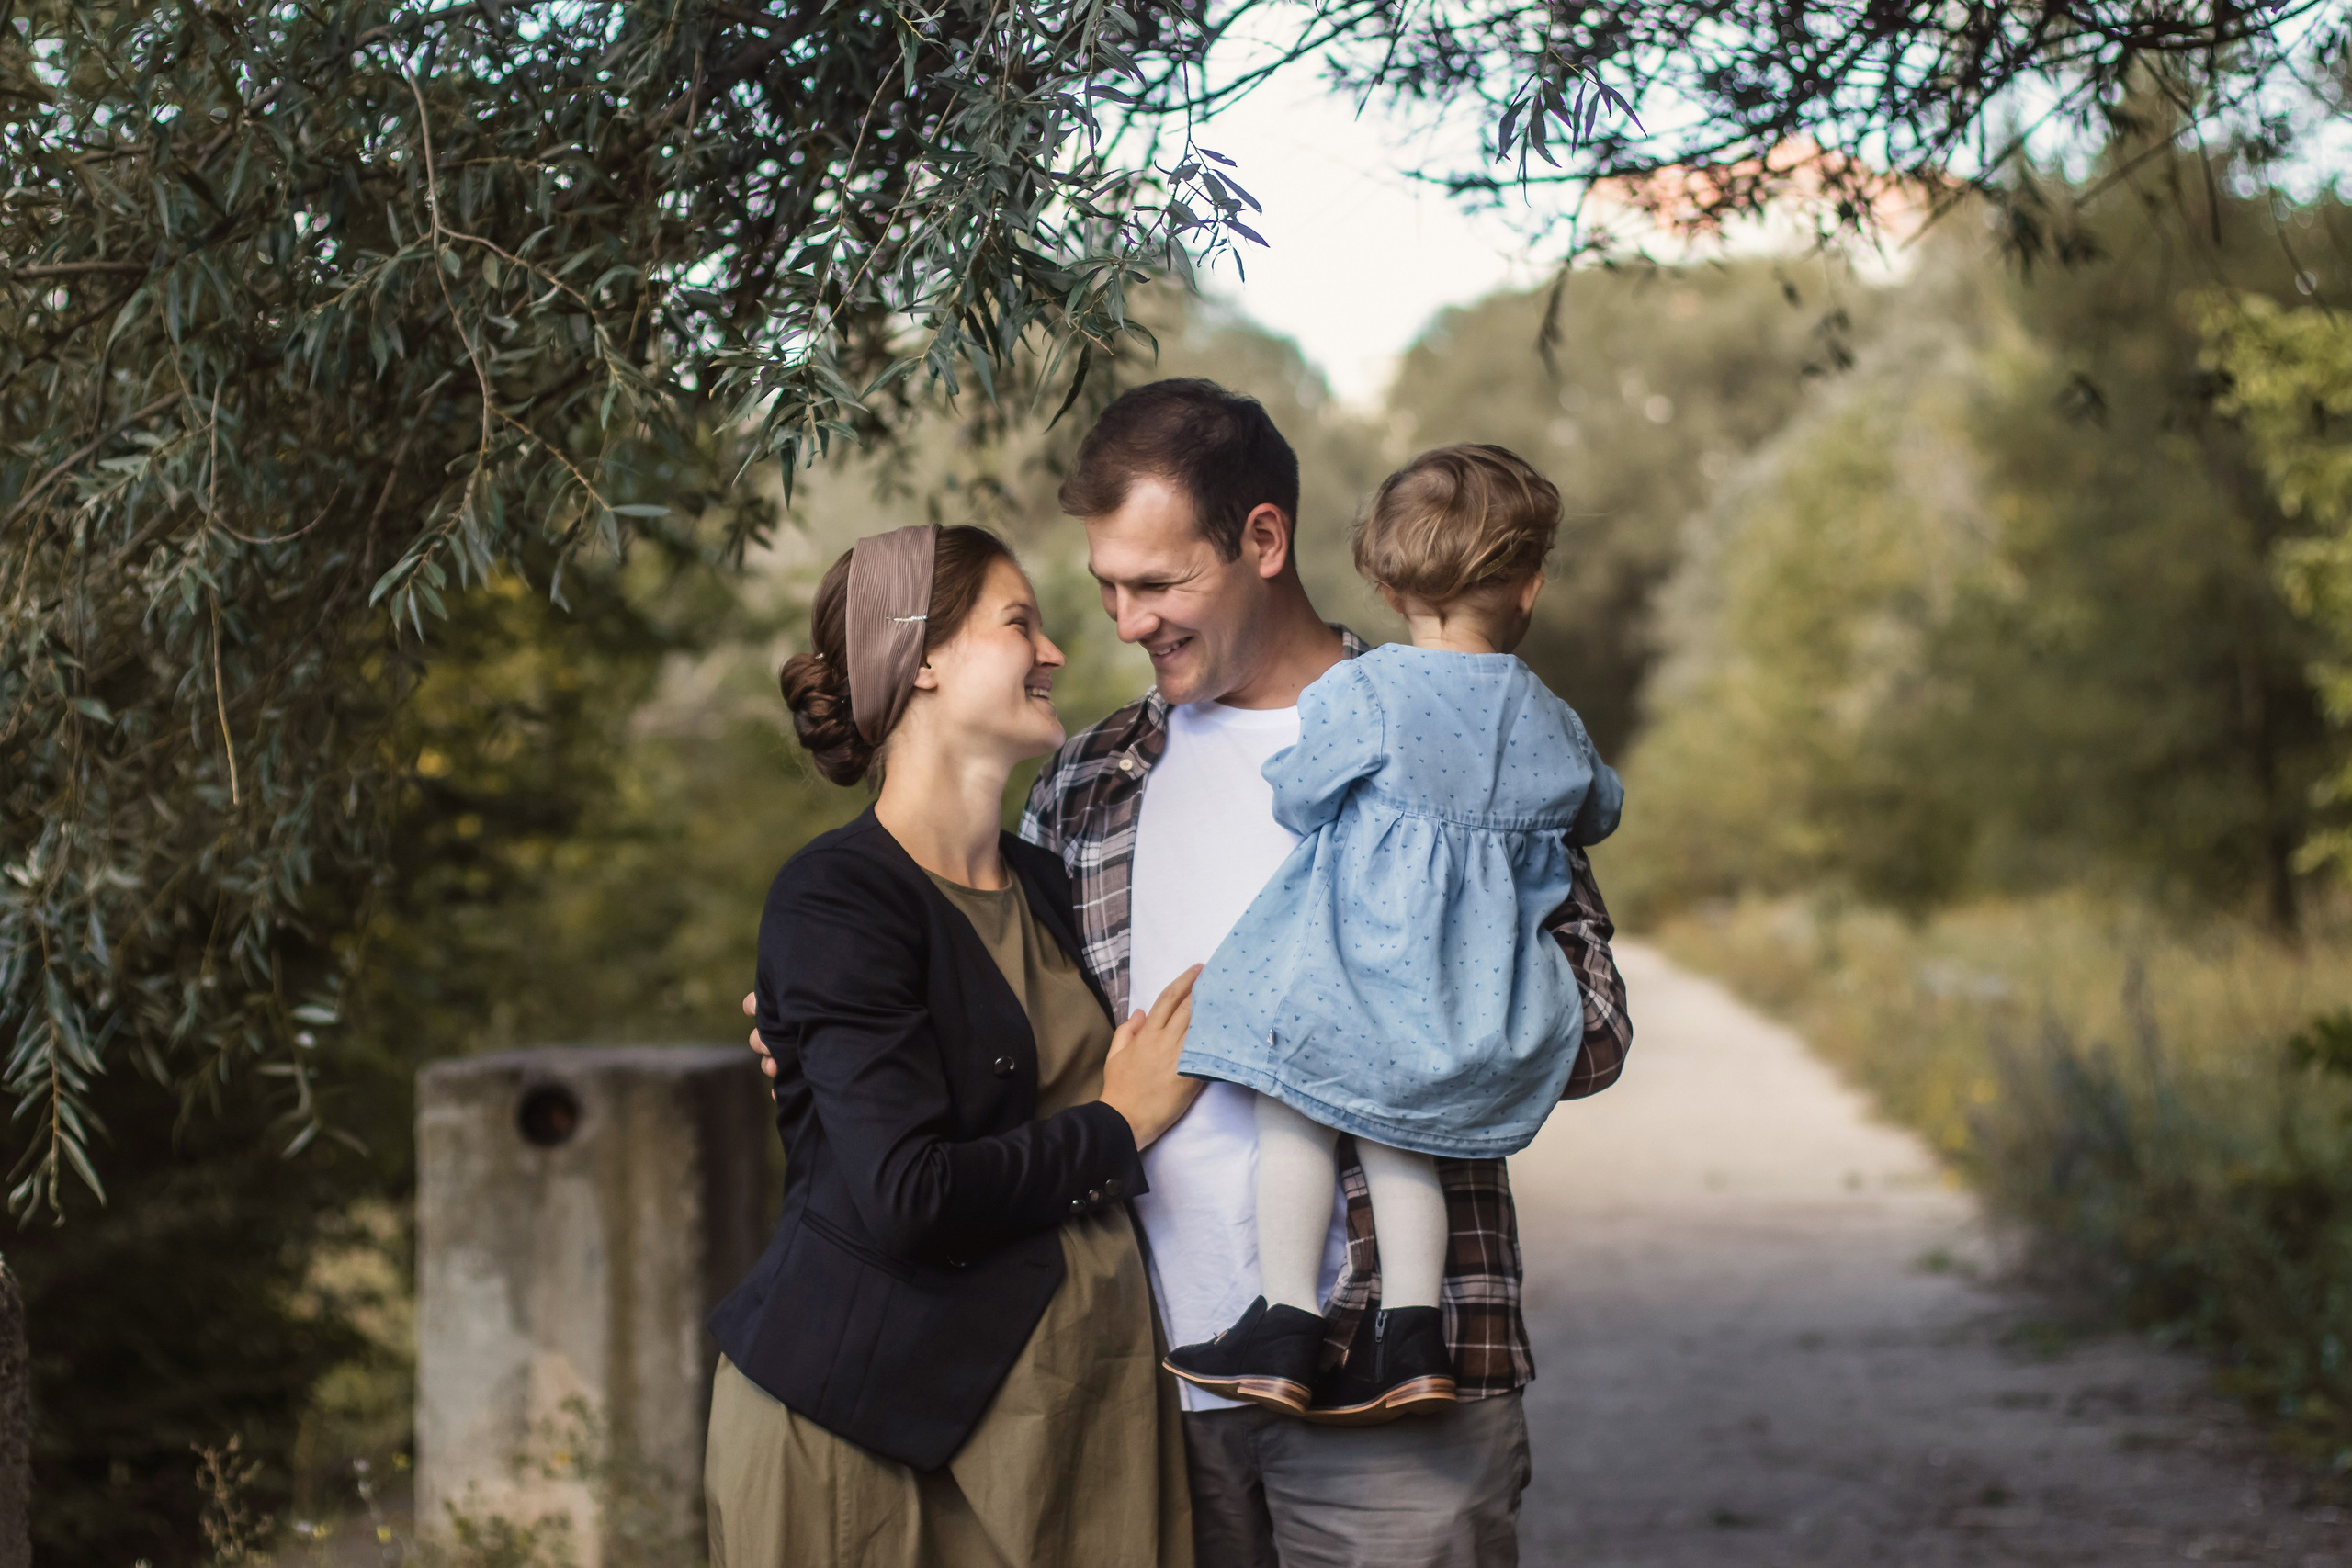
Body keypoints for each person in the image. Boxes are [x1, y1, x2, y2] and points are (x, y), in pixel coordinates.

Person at [746, 382, 1632, 1567]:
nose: (1122, 623)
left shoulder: (1454, 738)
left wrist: (1403, 1021)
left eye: (1157, 585)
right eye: (1108, 585)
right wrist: (824, 1036)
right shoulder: (1090, 783)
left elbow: (1596, 1026)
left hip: (1395, 1394)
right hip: (1137, 1383)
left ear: (1262, 541)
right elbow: (1006, 1040)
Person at [704, 523, 1203, 1568]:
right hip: (875, 1436)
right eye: (1019, 622)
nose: (1055, 650)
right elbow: (908, 1193)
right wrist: (1119, 1128)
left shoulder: (1046, 883)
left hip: (1066, 1421)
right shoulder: (837, 896)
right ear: (920, 656)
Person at [1161, 444, 1624, 1424]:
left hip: (1354, 977)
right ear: (1530, 584)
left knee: (1293, 1115)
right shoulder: (1553, 720)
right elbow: (1598, 810)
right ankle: (1411, 1340)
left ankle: (1283, 1325)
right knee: (1402, 1145)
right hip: (1470, 1000)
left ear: (1378, 578)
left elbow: (1301, 795)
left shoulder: (1363, 693)